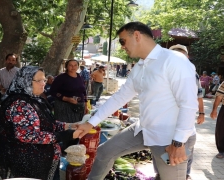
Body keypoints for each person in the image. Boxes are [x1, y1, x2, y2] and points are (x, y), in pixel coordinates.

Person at [76, 22, 198, 180]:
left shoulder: (174, 60)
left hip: (170, 138)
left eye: (122, 41)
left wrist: (179, 143)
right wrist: (91, 123)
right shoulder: (140, 67)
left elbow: (188, 104)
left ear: (137, 35)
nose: (122, 47)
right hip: (144, 129)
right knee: (105, 152)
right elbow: (120, 97)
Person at [0, 66, 81, 180]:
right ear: (26, 81)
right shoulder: (19, 104)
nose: (43, 83)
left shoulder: (34, 99)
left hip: (45, 159)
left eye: (43, 80)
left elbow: (48, 123)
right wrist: (67, 135)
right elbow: (28, 135)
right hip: (30, 163)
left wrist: (69, 126)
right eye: (38, 80)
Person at [168, 44, 205, 180]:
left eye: (181, 54)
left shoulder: (192, 73)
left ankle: (185, 174)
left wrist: (201, 113)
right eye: (175, 53)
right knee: (166, 150)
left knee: (186, 148)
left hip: (184, 121)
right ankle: (165, 172)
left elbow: (199, 96)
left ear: (187, 56)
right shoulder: (164, 70)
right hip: (166, 120)